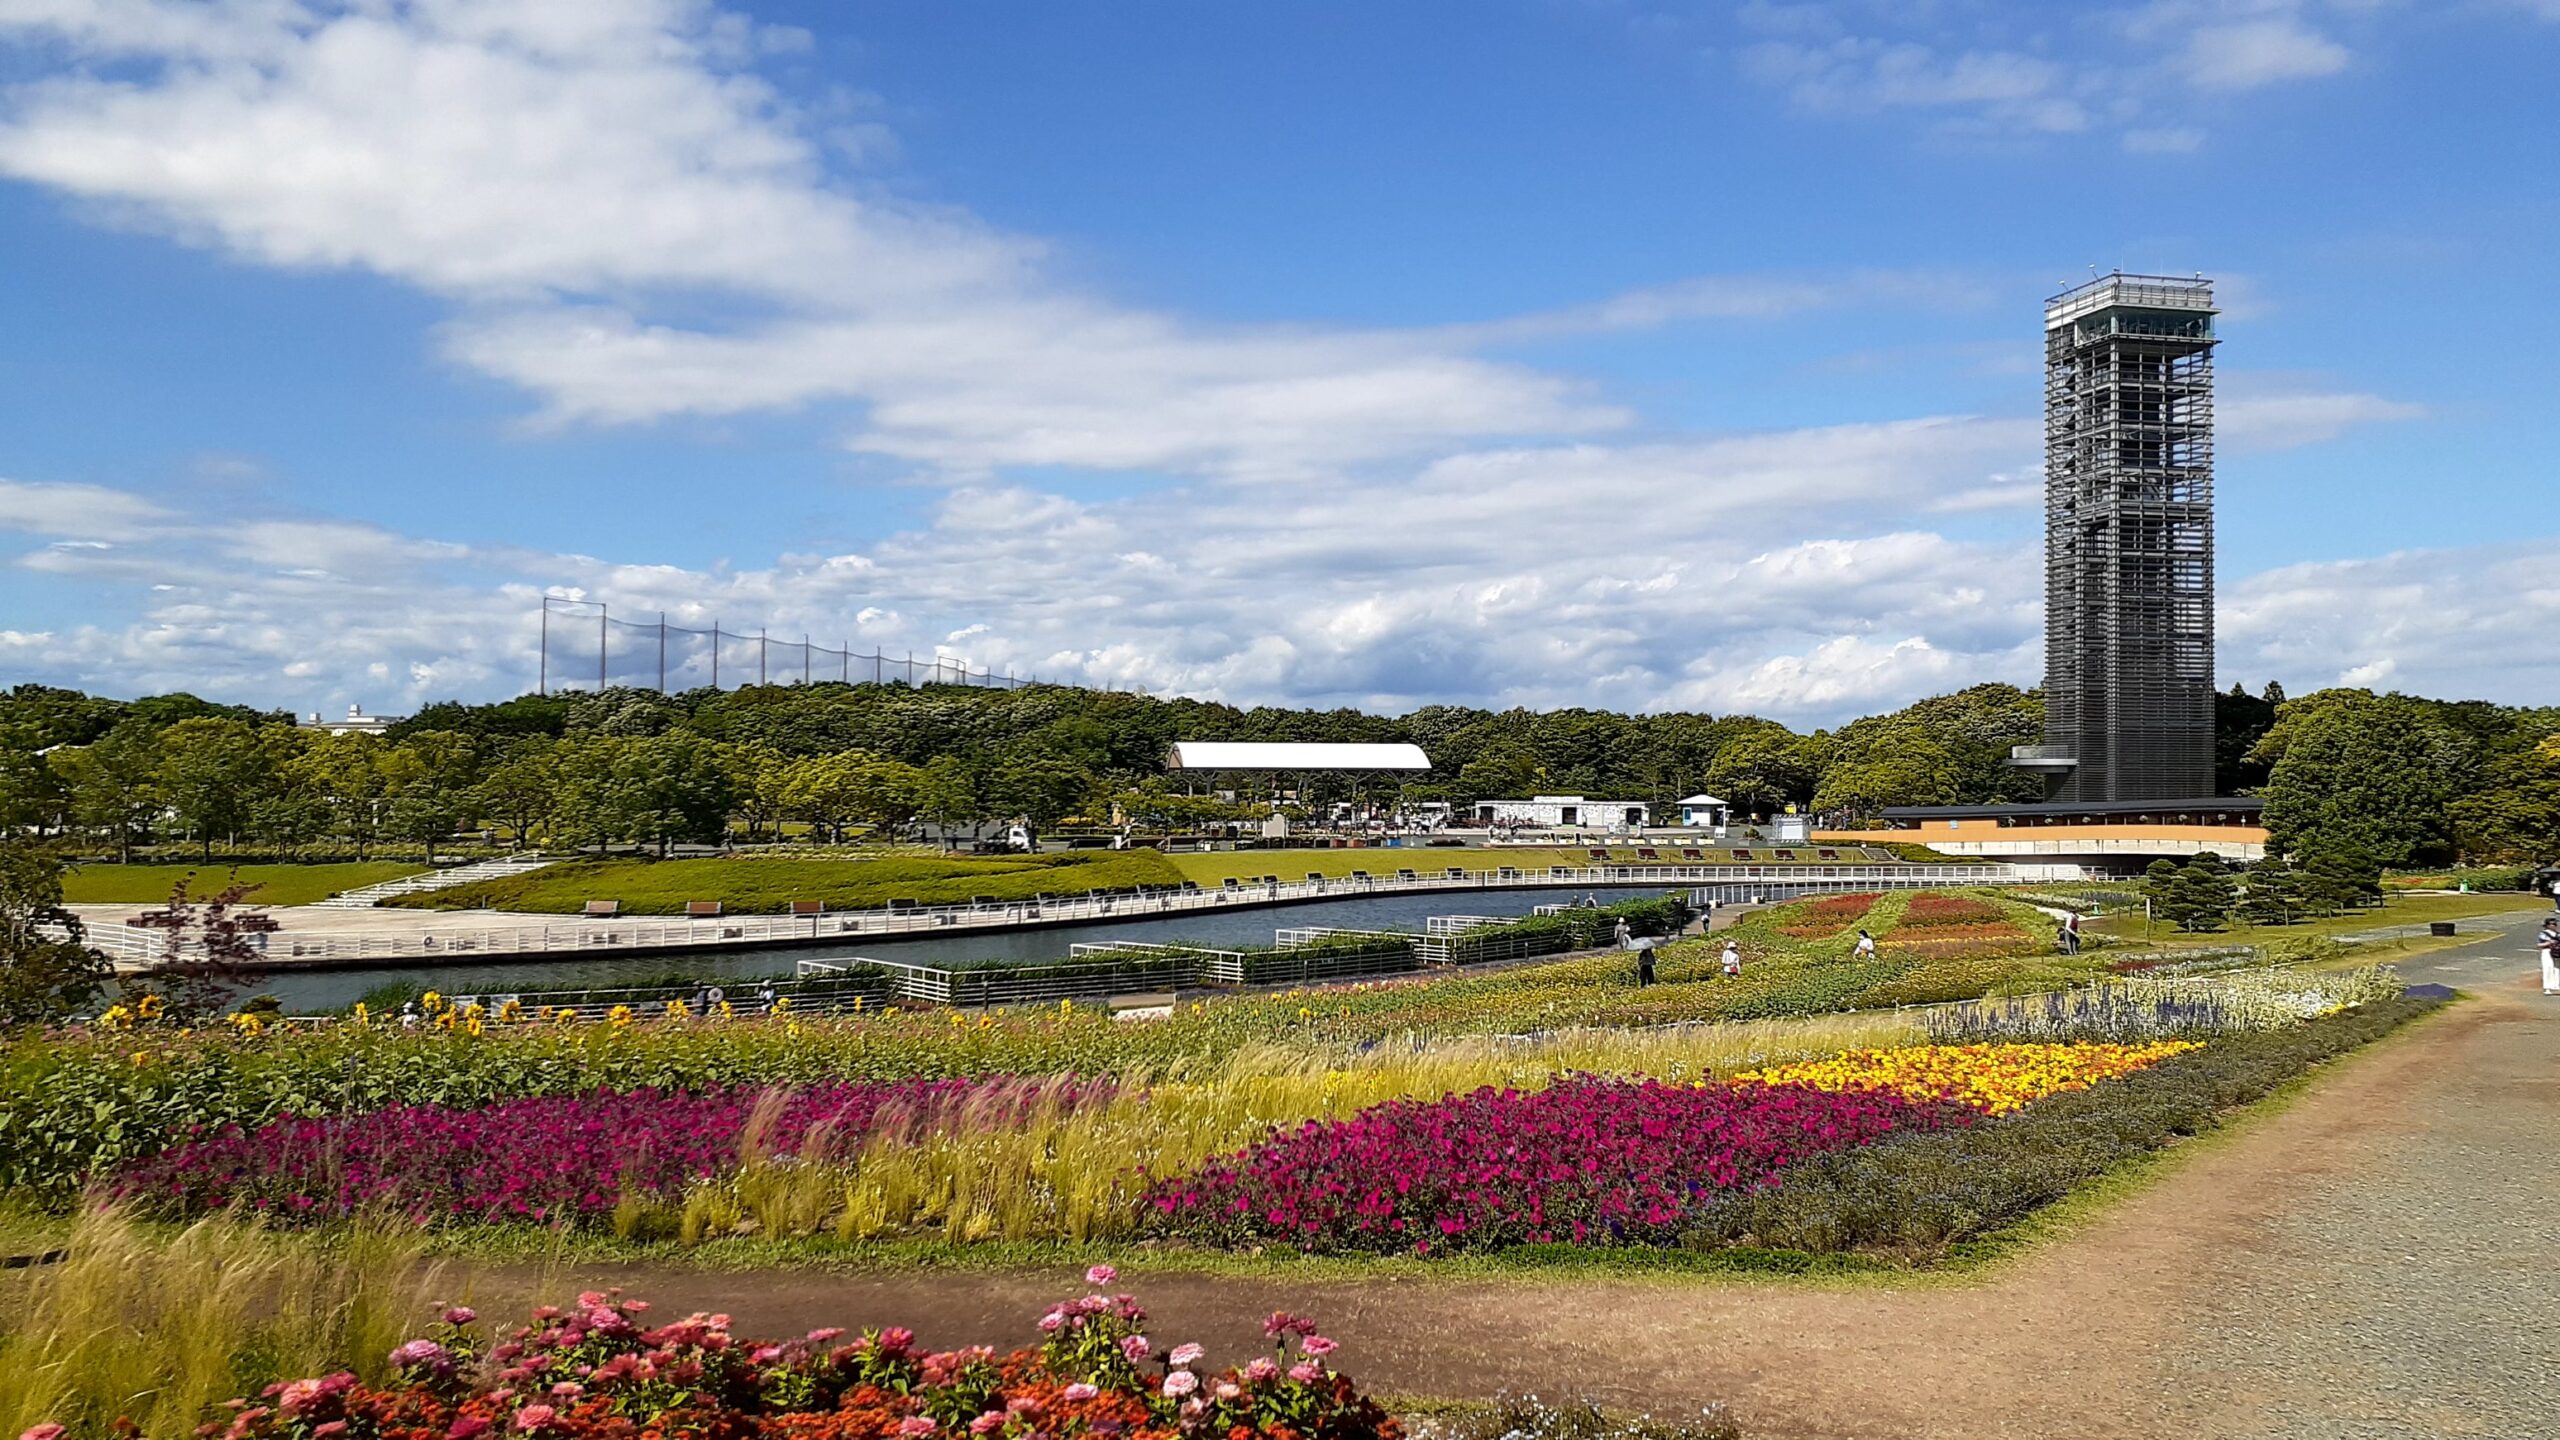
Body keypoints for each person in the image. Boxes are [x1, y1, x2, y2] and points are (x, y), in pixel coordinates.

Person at [2539, 919, 2560, 996]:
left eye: (2555, 924)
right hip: (2547, 951)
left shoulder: (2557, 934)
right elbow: (2539, 945)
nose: (2554, 925)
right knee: (2548, 968)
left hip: (2557, 952)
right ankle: (2547, 988)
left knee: (2557, 969)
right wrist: (2549, 943)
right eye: (2552, 924)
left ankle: (2556, 985)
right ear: (2547, 925)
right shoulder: (2543, 934)